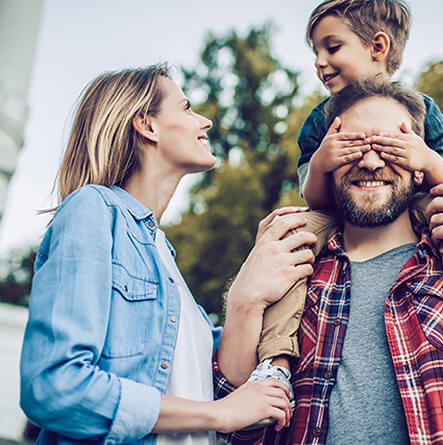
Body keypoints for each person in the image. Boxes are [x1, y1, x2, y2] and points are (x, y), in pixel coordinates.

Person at [214, 80, 443, 444]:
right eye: (353, 146)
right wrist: (243, 302)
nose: (371, 161)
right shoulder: (292, 266)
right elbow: (233, 430)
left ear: (420, 165)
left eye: (389, 146)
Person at [247, 0, 443, 415]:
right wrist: (322, 164)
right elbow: (315, 198)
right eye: (316, 52)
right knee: (294, 241)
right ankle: (275, 361)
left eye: (332, 47)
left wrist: (425, 159)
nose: (319, 62)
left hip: (414, 209)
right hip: (339, 216)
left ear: (378, 46)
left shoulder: (420, 109)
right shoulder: (320, 120)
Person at [19, 64, 318, 444]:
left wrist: (248, 290)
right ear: (147, 125)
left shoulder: (162, 254)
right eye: (187, 107)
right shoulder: (94, 209)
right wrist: (219, 414)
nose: (205, 120)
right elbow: (55, 385)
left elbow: (220, 385)